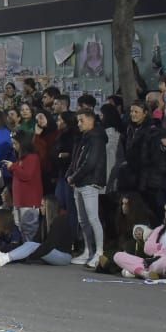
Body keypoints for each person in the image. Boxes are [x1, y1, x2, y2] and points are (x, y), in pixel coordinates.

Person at [115, 194, 166, 278]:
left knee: (165, 261)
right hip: (152, 262)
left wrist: (158, 252)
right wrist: (162, 248)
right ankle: (144, 273)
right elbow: (147, 249)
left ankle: (138, 271)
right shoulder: (159, 229)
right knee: (118, 255)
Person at [67, 108, 107, 267]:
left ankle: (99, 252)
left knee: (92, 218)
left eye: (81, 120)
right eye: (78, 120)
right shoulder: (84, 137)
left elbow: (90, 163)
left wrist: (74, 176)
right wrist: (70, 175)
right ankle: (88, 251)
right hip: (79, 183)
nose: (79, 124)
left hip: (90, 182)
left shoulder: (96, 138)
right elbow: (77, 159)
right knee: (83, 220)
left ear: (91, 120)